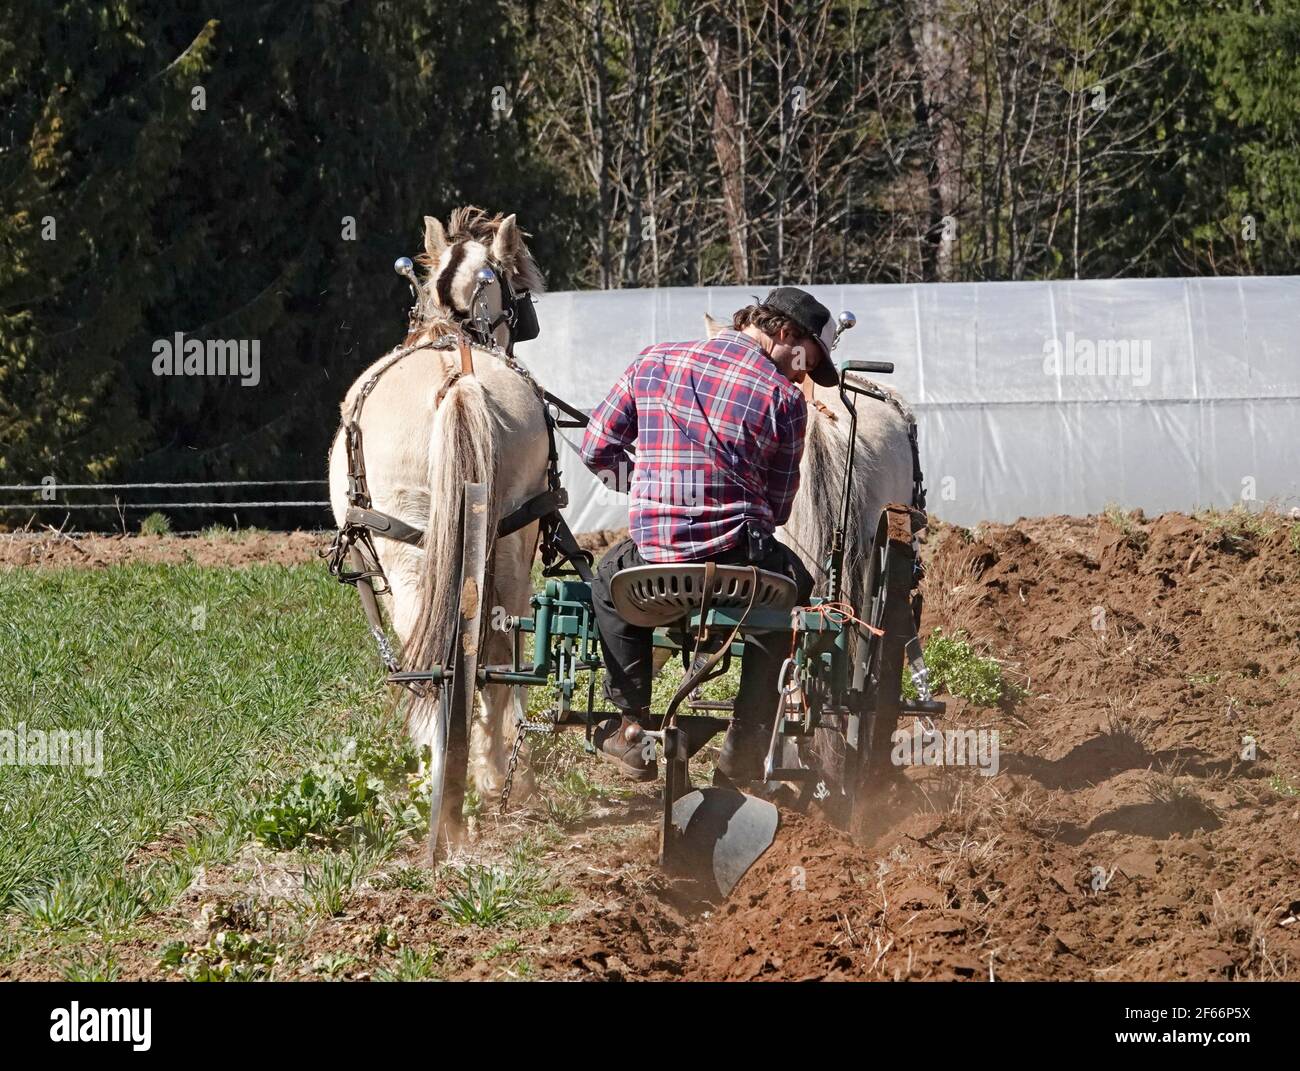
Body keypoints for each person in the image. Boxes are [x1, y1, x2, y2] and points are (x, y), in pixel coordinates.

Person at [579, 286, 841, 782]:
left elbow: (596, 449)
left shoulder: (653, 361)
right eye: (805, 360)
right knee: (790, 600)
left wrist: (648, 487)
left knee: (606, 583)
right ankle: (743, 752)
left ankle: (632, 727)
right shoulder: (785, 399)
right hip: (741, 566)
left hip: (652, 566)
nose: (803, 375)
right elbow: (781, 508)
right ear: (782, 333)